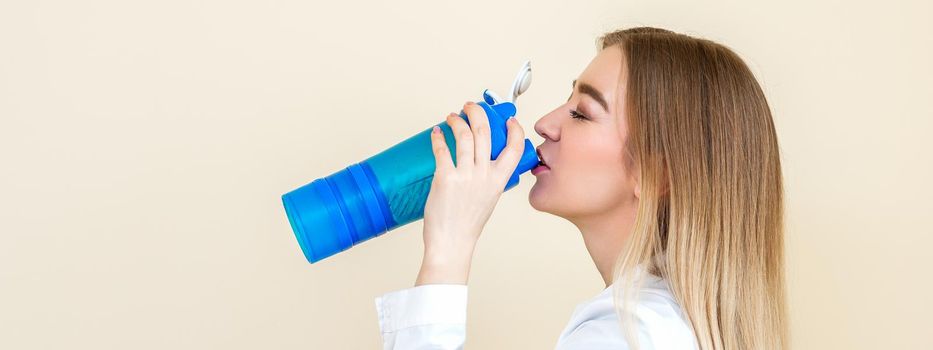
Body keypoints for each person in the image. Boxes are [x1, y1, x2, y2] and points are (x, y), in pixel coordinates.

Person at [374, 26, 787, 350]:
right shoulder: (668, 326)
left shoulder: (624, 337)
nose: (544, 124)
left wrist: (448, 249)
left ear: (657, 174)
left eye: (582, 113)